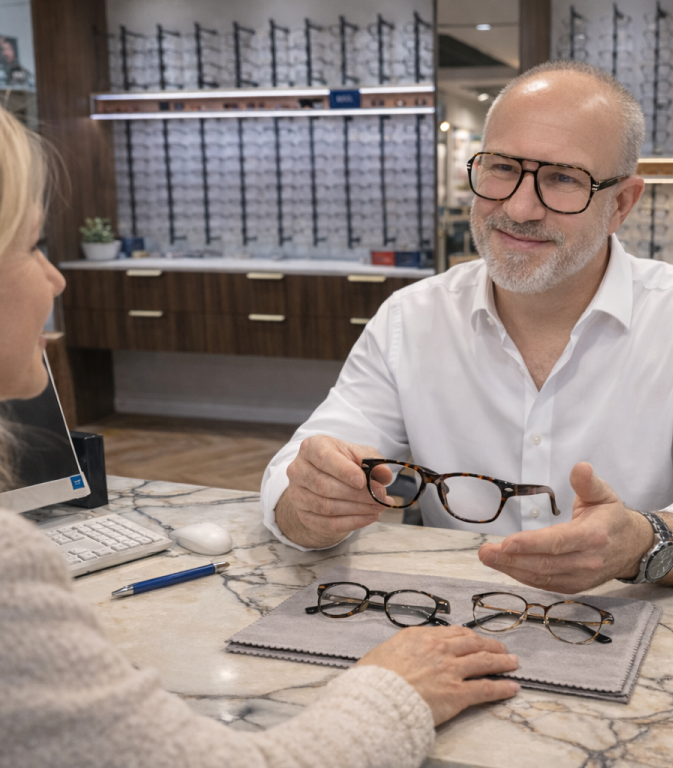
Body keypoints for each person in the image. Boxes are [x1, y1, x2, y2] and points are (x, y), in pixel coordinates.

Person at [0, 106, 521, 767]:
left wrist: (658, 541)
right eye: (29, 247)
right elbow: (304, 460)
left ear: (622, 202)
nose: (55, 279)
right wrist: (394, 685)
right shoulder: (10, 570)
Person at [262, 60, 673, 593]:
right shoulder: (410, 319)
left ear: (621, 203)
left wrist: (643, 543)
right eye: (502, 168)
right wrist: (311, 502)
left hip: (638, 628)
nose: (520, 208)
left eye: (563, 178)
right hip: (453, 627)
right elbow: (292, 480)